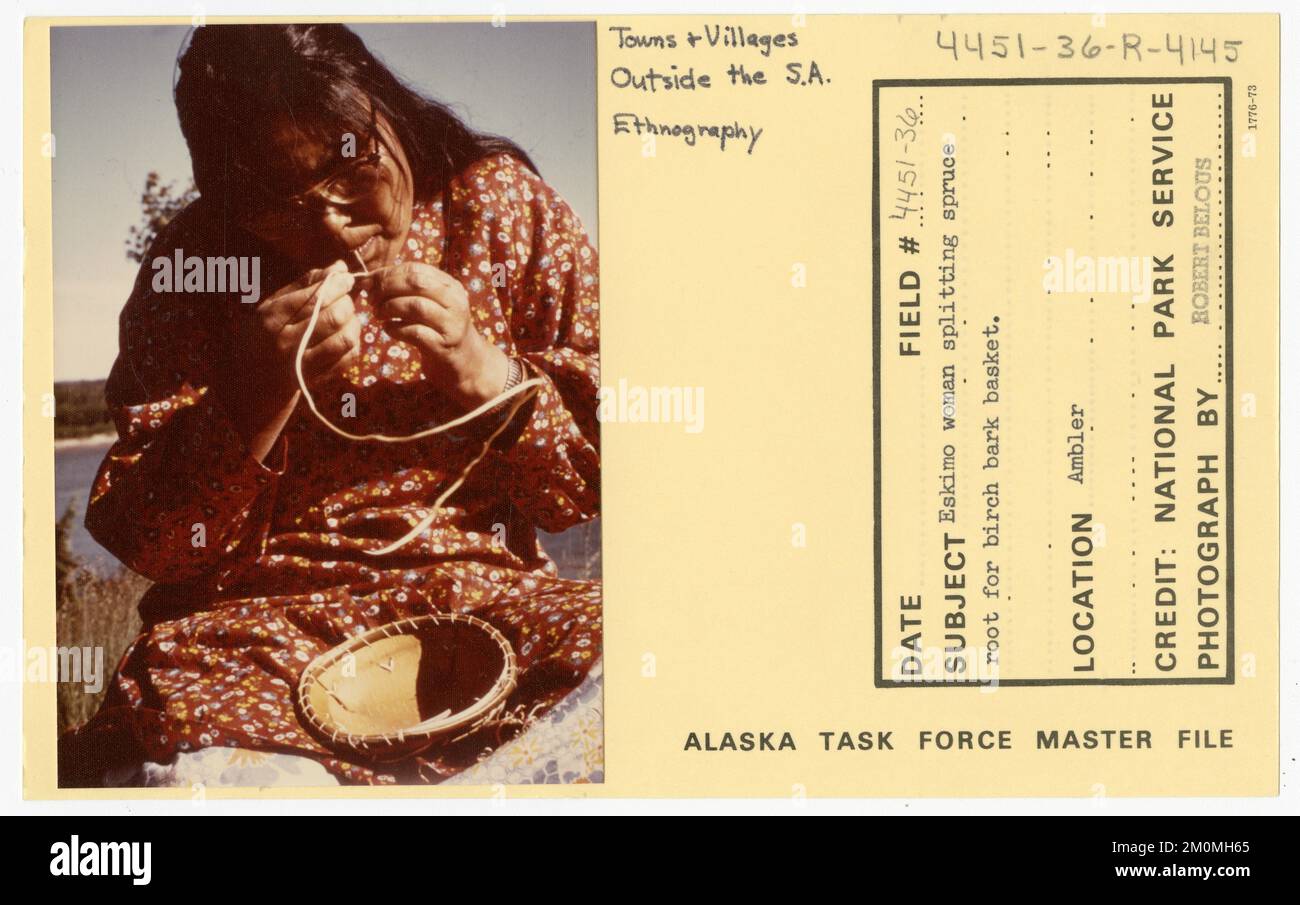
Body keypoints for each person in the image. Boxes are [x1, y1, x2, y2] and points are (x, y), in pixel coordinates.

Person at [58, 24, 602, 786]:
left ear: (385, 112)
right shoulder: (196, 268)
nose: (331, 232)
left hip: (488, 611)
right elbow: (154, 546)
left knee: (634, 673)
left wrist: (489, 376)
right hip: (254, 640)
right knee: (192, 753)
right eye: (279, 208)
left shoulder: (504, 208)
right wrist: (251, 399)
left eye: (350, 181)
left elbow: (589, 485)